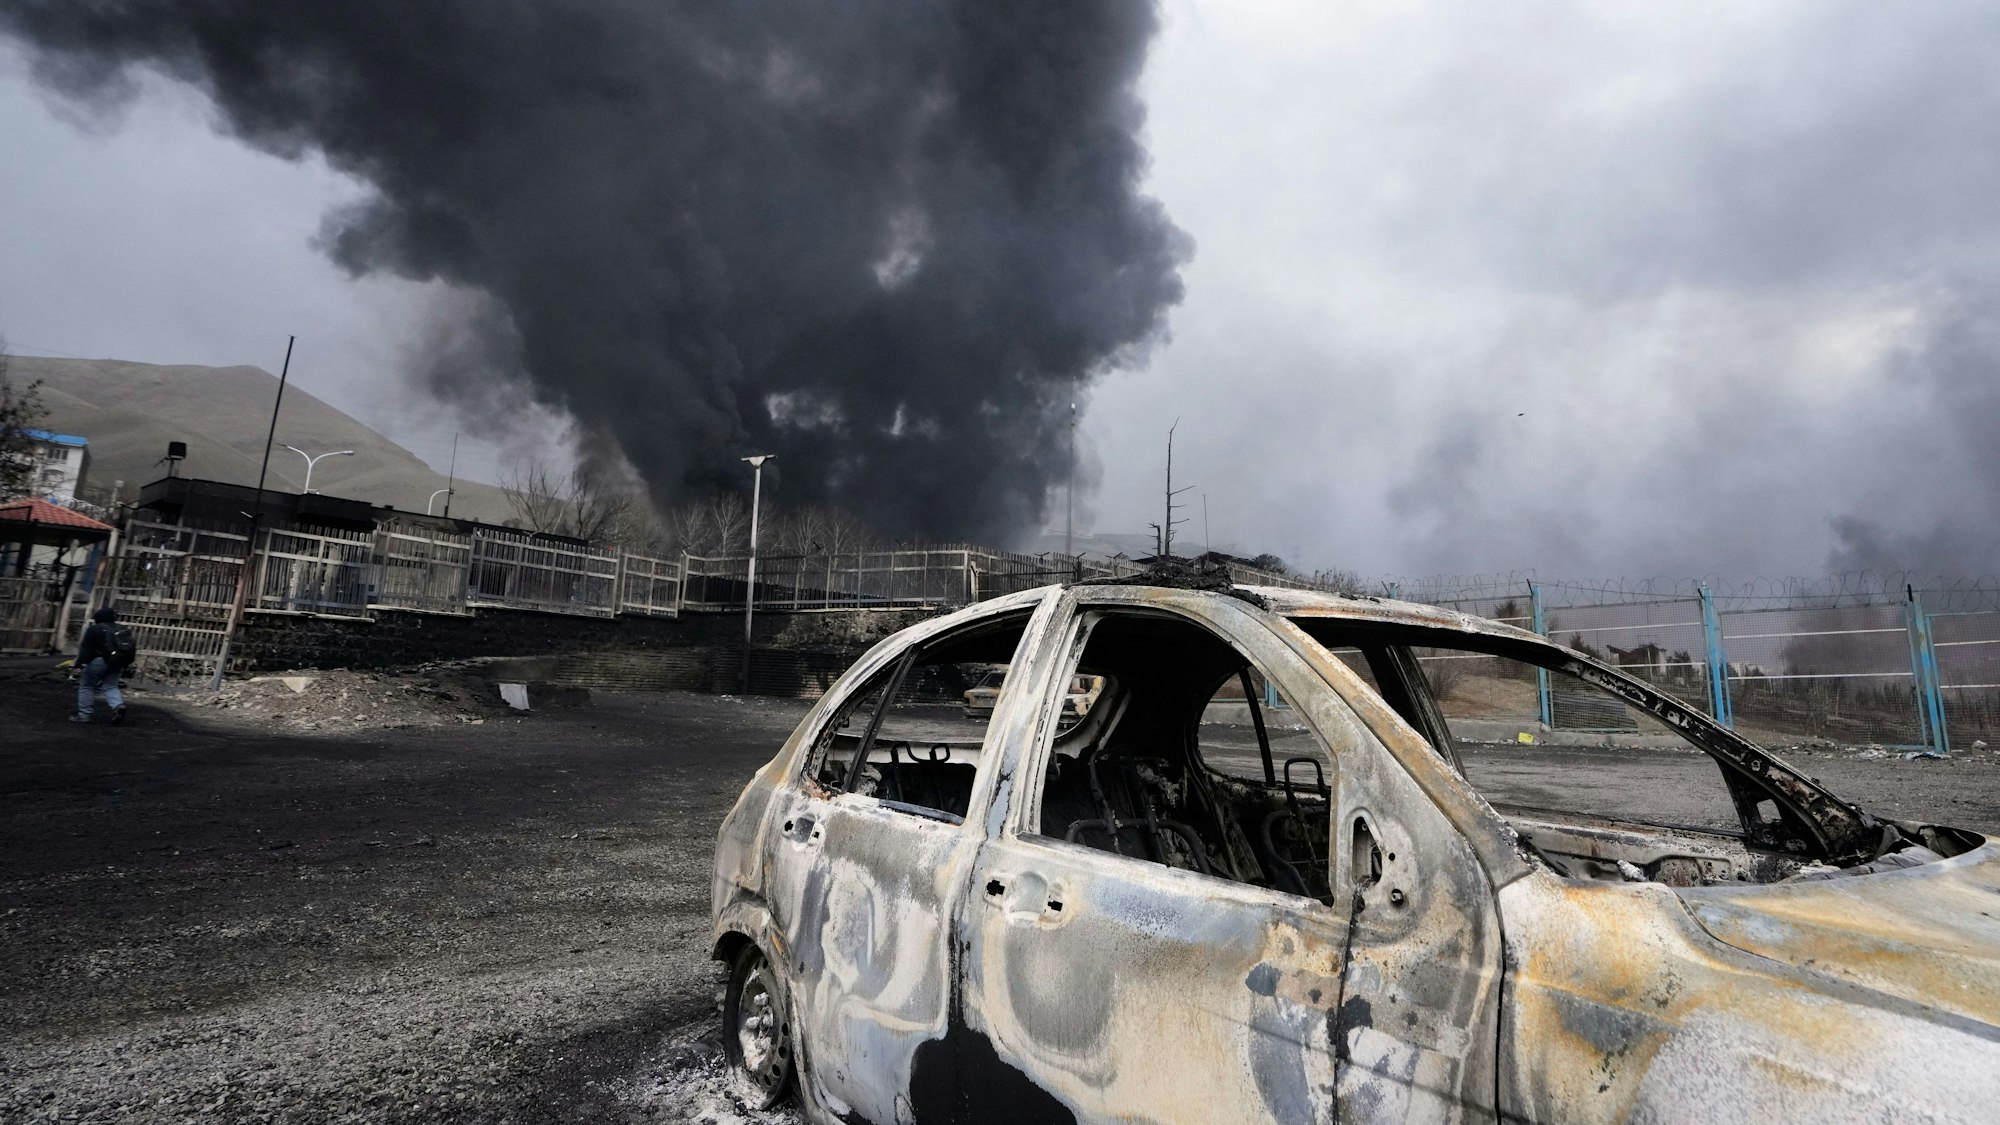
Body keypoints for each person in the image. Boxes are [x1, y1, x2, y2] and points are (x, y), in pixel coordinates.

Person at [72, 607, 133, 724]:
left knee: (87, 686)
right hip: (117, 661)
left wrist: (78, 666)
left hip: (98, 661)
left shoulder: (94, 629)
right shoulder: (121, 629)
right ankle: (118, 705)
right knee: (111, 686)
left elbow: (86, 649)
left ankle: (84, 715)